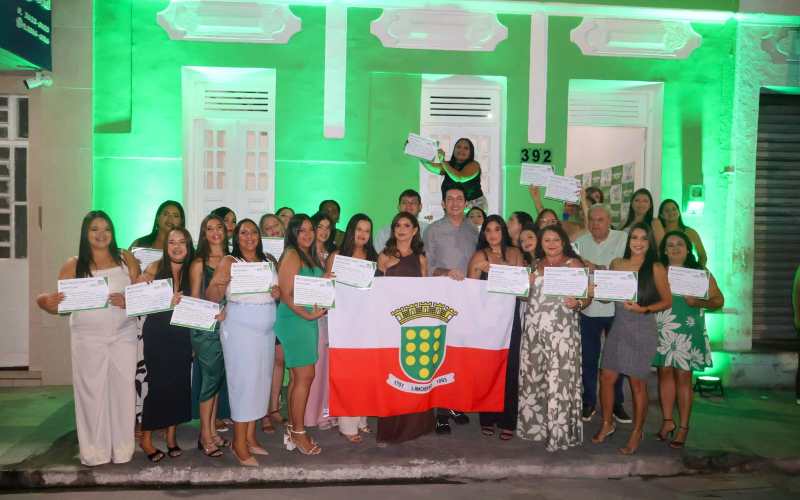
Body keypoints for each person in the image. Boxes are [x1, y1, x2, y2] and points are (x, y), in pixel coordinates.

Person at [36, 211, 140, 466]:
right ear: (85, 233)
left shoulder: (126, 258)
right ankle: (95, 452)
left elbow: (142, 294)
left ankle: (123, 449)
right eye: (95, 229)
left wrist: (129, 300)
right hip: (87, 338)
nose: (101, 234)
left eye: (106, 229)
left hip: (124, 335)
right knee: (91, 393)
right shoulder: (73, 265)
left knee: (123, 391)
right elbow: (59, 305)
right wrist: (45, 302)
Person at [592, 223, 671, 455]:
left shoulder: (655, 267)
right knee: (606, 377)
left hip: (642, 327)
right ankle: (607, 423)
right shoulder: (617, 263)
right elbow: (607, 297)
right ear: (628, 241)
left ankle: (637, 431)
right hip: (619, 326)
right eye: (634, 237)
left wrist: (643, 309)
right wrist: (599, 291)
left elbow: (667, 301)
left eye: (643, 238)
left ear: (649, 242)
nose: (638, 242)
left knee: (637, 384)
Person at [206, 219, 280, 467]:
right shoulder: (230, 262)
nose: (249, 237)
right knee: (244, 386)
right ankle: (238, 444)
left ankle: (249, 437)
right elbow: (211, 295)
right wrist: (220, 283)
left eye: (253, 232)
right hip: (240, 331)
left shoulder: (268, 261)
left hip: (266, 331)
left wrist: (277, 293)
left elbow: (276, 291)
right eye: (243, 233)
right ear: (236, 238)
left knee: (260, 383)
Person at [517, 224, 588, 451]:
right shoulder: (536, 265)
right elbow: (525, 298)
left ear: (564, 241)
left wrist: (577, 303)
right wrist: (524, 287)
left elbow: (586, 297)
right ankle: (536, 429)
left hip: (562, 332)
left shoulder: (573, 264)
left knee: (559, 381)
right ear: (541, 243)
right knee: (534, 379)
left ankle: (559, 434)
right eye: (546, 240)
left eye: (556, 239)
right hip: (533, 331)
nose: (551, 244)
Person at [653, 231, 723, 448]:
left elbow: (719, 300)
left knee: (683, 376)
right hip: (663, 327)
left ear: (687, 249)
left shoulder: (700, 273)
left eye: (680, 244)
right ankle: (667, 422)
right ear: (664, 250)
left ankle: (683, 427)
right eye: (670, 245)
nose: (675, 248)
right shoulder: (658, 270)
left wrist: (697, 302)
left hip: (689, 330)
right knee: (664, 373)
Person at [423, 184, 478, 433]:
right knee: (441, 353)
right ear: (443, 204)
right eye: (450, 199)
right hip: (442, 298)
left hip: (468, 301)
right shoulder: (433, 230)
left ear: (466, 203)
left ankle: (455, 404)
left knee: (461, 354)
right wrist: (446, 272)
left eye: (460, 198)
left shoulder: (473, 230)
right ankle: (441, 413)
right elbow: (426, 266)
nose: (455, 202)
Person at [376, 212, 435, 444]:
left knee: (414, 374)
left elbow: (426, 292)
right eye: (397, 225)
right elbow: (375, 291)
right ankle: (392, 427)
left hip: (414, 323)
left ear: (415, 230)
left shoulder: (421, 258)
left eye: (406, 225)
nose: (401, 229)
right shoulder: (384, 256)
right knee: (393, 376)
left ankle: (415, 426)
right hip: (389, 324)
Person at [138, 227, 195, 463]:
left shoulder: (192, 271)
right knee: (158, 387)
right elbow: (137, 298)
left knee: (179, 386)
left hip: (182, 335)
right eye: (172, 242)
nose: (177, 246)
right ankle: (146, 439)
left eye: (182, 242)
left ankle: (171, 437)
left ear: (188, 246)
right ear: (166, 246)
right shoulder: (154, 268)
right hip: (158, 334)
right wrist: (163, 300)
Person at [467, 215, 525, 441]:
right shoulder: (479, 255)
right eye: (488, 230)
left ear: (503, 232)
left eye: (497, 229)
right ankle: (487, 419)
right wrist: (479, 270)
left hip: (511, 318)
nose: (492, 234)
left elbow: (523, 289)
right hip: (487, 320)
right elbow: (470, 291)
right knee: (488, 369)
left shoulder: (516, 253)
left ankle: (508, 420)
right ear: (484, 234)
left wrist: (504, 270)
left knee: (511, 369)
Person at [129, 200, 186, 427]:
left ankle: (163, 422)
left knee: (169, 375)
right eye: (165, 213)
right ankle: (140, 419)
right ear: (157, 217)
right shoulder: (140, 245)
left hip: (173, 320)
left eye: (176, 215)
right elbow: (133, 281)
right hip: (147, 314)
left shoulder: (185, 254)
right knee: (144, 371)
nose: (170, 218)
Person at [274, 214, 327, 455]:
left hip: (307, 320)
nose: (307, 234)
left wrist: (326, 281)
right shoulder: (292, 254)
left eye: (310, 230)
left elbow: (310, 287)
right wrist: (307, 316)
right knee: (305, 376)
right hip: (295, 320)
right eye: (301, 230)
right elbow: (286, 294)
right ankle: (298, 431)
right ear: (293, 233)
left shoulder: (308, 254)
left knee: (299, 378)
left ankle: (293, 428)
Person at [573, 204, 630, 424]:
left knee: (616, 359)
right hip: (588, 309)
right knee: (588, 358)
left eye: (600, 220)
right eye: (592, 220)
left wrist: (595, 267)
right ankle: (588, 401)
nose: (595, 224)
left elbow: (626, 270)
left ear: (609, 220)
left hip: (617, 308)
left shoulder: (622, 238)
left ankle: (617, 403)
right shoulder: (581, 242)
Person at [325, 214, 378, 443]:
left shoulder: (373, 257)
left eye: (367, 230)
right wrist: (327, 278)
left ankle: (361, 419)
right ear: (351, 231)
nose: (363, 234)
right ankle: (347, 425)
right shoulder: (338, 256)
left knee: (365, 374)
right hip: (344, 323)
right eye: (359, 229)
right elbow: (327, 287)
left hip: (367, 323)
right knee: (348, 374)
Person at [189, 214, 230, 458]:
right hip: (206, 328)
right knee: (209, 381)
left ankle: (212, 431)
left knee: (216, 382)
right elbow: (195, 299)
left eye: (219, 227)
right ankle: (204, 435)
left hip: (228, 328)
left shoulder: (232, 259)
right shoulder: (198, 263)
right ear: (204, 234)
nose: (215, 232)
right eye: (209, 228)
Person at [302, 211, 338, 432]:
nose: (323, 231)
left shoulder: (334, 254)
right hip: (308, 316)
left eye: (327, 228)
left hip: (329, 316)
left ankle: (326, 411)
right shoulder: (304, 254)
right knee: (313, 366)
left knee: (327, 365)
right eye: (320, 227)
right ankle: (310, 415)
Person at [421, 137, 487, 211]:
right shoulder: (449, 165)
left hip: (474, 208)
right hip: (453, 207)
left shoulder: (474, 165)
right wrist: (418, 153)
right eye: (458, 147)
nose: (461, 150)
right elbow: (430, 166)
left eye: (466, 148)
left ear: (471, 152)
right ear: (454, 150)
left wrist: (442, 161)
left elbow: (459, 177)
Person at [657, 199, 707, 267]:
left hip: (687, 270)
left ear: (679, 212)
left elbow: (702, 255)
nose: (671, 212)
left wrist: (697, 270)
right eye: (667, 210)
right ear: (661, 215)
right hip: (664, 270)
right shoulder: (658, 232)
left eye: (674, 209)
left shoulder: (690, 232)